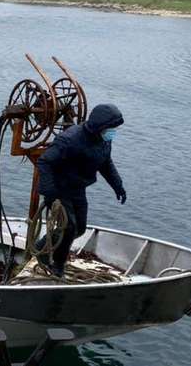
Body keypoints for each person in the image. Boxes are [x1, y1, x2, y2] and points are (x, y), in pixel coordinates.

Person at [35, 104, 127, 277]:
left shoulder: (104, 140)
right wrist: (49, 193)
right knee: (68, 228)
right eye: (111, 128)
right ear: (100, 126)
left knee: (80, 228)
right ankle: (56, 264)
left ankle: (43, 248)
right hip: (60, 189)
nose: (113, 132)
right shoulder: (70, 139)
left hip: (78, 189)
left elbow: (106, 163)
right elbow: (44, 162)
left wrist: (118, 185)